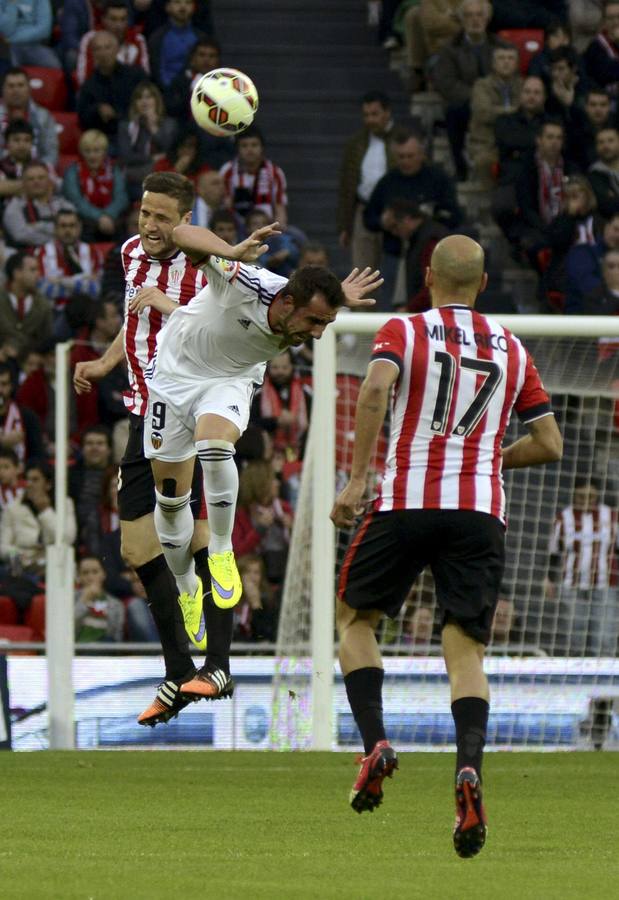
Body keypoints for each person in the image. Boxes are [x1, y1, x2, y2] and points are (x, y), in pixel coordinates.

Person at [330, 235, 562, 853]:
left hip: (405, 501)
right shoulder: (512, 347)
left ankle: (376, 743)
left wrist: (356, 478)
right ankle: (468, 769)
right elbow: (550, 444)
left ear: (427, 276)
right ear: (483, 284)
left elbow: (374, 389)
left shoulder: (405, 331)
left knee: (355, 618)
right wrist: (489, 461)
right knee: (465, 650)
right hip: (478, 511)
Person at [141, 219, 381, 701]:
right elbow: (180, 233)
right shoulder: (247, 282)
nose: (318, 334)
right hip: (173, 378)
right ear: (287, 303)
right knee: (170, 502)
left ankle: (221, 551)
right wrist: (231, 250)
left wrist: (337, 299)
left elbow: (316, 313)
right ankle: (187, 586)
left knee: (215, 445)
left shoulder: (302, 314)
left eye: (326, 324)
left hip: (230, 380)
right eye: (314, 322)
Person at [72, 171, 221, 727]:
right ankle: (180, 670)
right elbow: (136, 322)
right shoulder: (131, 253)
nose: (150, 225)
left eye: (163, 217)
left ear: (186, 221)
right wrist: (105, 361)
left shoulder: (207, 266)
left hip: (191, 411)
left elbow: (223, 336)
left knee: (200, 537)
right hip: (143, 413)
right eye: (145, 213)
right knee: (136, 548)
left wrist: (171, 305)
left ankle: (219, 663)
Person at [364, 130, 462, 304]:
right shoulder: (388, 182)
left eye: (410, 156)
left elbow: (455, 216)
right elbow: (368, 217)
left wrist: (425, 222)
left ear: (421, 154)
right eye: (401, 157)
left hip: (428, 252)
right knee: (388, 302)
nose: (406, 161)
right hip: (394, 252)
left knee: (425, 299)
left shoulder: (438, 179)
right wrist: (383, 222)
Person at [432, 0, 506, 179]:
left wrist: (488, 99)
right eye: (469, 15)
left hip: (495, 101)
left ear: (486, 19)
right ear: (462, 20)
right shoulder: (450, 49)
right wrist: (478, 97)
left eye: (479, 15)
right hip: (466, 103)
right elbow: (447, 83)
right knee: (453, 112)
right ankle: (460, 168)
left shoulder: (501, 46)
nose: (475, 20)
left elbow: (509, 77)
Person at [546, 478, 618, 656]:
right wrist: (548, 579)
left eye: (591, 497)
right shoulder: (563, 518)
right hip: (572, 584)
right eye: (581, 497)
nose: (586, 501)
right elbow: (554, 552)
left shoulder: (612, 517)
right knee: (575, 635)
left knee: (603, 636)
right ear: (574, 495)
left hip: (605, 584)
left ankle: (603, 670)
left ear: (597, 496)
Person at [337, 91, 394, 274]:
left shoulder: (402, 139)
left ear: (387, 113)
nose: (370, 120)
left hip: (394, 212)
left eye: (375, 114)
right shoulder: (355, 143)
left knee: (392, 271)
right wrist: (345, 225)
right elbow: (346, 186)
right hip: (363, 210)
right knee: (362, 272)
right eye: (366, 115)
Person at [0, 461, 76, 579]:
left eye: (35, 480)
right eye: (27, 480)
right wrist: (19, 555)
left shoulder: (64, 503)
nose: (29, 484)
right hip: (22, 565)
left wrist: (45, 510)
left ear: (48, 484)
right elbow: (2, 546)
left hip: (54, 563)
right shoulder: (13, 508)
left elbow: (67, 539)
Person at [37, 210, 104, 332]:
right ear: (55, 229)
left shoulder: (92, 252)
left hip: (86, 312)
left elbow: (95, 290)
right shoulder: (43, 252)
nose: (67, 230)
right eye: (63, 226)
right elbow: (44, 290)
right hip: (55, 312)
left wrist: (60, 281)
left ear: (79, 228)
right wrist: (82, 281)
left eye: (72, 226)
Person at [466, 44, 522, 187]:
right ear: (493, 64)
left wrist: (503, 111)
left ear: (516, 64)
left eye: (510, 58)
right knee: (484, 161)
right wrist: (513, 111)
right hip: (487, 144)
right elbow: (484, 113)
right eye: (501, 58)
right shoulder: (481, 85)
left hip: (517, 143)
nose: (506, 62)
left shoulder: (523, 85)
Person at [77, 30, 148, 139]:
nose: (103, 53)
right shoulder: (88, 86)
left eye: (107, 47)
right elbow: (82, 119)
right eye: (98, 49)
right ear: (93, 54)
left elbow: (148, 104)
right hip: (107, 138)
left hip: (137, 133)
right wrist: (97, 110)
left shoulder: (136, 75)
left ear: (117, 49)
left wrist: (117, 115)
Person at [62, 129, 129, 241]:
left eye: (96, 151)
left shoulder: (113, 170)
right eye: (87, 151)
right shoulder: (73, 171)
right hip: (85, 220)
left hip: (111, 218)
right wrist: (100, 217)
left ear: (104, 152)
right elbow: (76, 201)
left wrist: (108, 215)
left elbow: (121, 197)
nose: (92, 155)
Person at [117, 82, 178, 201]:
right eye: (139, 98)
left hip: (163, 177)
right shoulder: (127, 126)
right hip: (136, 179)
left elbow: (170, 151)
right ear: (135, 103)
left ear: (156, 100)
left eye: (149, 97)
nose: (144, 102)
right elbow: (126, 157)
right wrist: (152, 159)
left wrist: (153, 127)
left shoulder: (169, 124)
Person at [220, 126, 288, 227]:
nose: (250, 150)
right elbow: (225, 206)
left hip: (266, 227)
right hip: (237, 228)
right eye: (244, 146)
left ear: (262, 148)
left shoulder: (274, 172)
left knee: (297, 235)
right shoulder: (228, 171)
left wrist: (278, 228)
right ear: (237, 149)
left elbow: (280, 209)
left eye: (254, 145)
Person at [250, 350, 311, 462]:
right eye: (275, 368)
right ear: (268, 368)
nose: (280, 372)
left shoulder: (305, 392)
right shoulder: (258, 393)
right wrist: (276, 422)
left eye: (284, 367)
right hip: (266, 457)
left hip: (302, 455)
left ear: (292, 367)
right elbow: (251, 424)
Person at [76, 0, 151, 87]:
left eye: (123, 19)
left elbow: (145, 76)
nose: (119, 25)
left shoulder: (138, 40)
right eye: (113, 19)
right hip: (98, 91)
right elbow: (83, 79)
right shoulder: (91, 39)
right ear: (103, 19)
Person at [3, 162, 73, 249]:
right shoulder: (14, 207)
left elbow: (74, 229)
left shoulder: (62, 204)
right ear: (23, 183)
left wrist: (38, 226)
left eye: (41, 178)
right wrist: (58, 234)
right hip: (27, 253)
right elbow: (21, 235)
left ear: (49, 181)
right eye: (31, 179)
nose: (36, 182)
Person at [0, 67, 58, 166]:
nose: (16, 90)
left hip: (36, 172)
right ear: (3, 90)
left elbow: (51, 154)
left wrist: (37, 171)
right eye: (11, 86)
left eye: (20, 85)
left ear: (29, 89)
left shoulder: (44, 117)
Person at [0, 251, 53, 355]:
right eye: (32, 270)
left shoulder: (43, 305)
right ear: (17, 273)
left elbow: (47, 340)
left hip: (31, 360)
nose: (38, 274)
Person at [148, 0, 207, 90]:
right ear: (167, 7)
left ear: (194, 7)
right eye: (177, 2)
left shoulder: (201, 38)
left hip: (197, 90)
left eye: (188, 2)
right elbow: (157, 71)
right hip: (166, 92)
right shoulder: (158, 38)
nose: (183, 7)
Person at [74, 554, 125, 642]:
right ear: (79, 577)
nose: (90, 577)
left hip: (105, 646)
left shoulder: (116, 604)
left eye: (95, 572)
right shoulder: (70, 598)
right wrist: (84, 600)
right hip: (78, 647)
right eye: (85, 573)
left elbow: (116, 635)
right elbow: (67, 629)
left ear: (103, 574)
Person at [0, 0, 60, 70]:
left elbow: (44, 30)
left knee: (55, 66)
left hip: (34, 44)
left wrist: (12, 38)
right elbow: (6, 30)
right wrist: (11, 4)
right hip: (9, 47)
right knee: (9, 68)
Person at [584, 0, 619, 95]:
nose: (615, 22)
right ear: (603, 22)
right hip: (606, 98)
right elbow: (606, 74)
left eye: (618, 17)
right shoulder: (596, 47)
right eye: (610, 18)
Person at [588, 126, 619, 218]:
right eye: (601, 142)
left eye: (610, 140)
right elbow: (607, 205)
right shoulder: (594, 174)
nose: (606, 146)